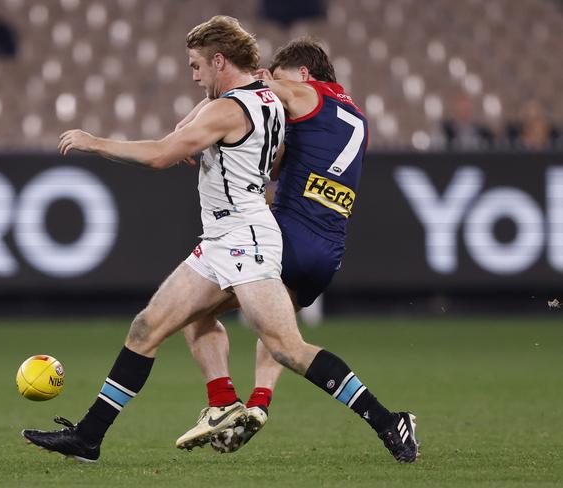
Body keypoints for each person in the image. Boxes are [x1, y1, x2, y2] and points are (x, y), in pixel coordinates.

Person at [21, 16, 417, 464]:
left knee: (287, 348)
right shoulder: (267, 99)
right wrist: (200, 140)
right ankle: (95, 436)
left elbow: (159, 156)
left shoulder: (231, 108)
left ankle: (387, 419)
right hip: (225, 235)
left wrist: (95, 142)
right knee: (149, 326)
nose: (193, 76)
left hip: (245, 238)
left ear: (219, 60)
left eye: (196, 66)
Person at [175, 38, 418, 461]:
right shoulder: (356, 118)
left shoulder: (305, 92)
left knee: (189, 311)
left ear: (303, 74)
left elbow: (249, 91)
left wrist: (184, 133)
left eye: (280, 74)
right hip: (326, 251)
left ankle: (222, 403)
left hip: (285, 236)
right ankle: (264, 404)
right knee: (282, 339)